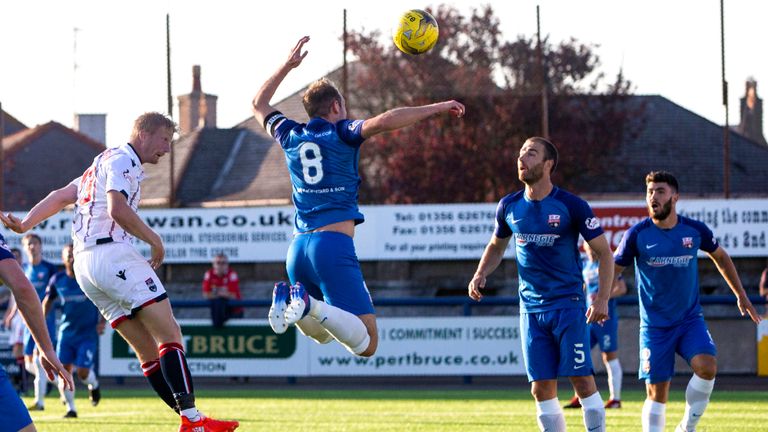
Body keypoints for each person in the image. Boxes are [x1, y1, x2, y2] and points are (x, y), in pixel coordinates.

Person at [0, 112, 238, 432]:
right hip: (111, 253)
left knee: (147, 350)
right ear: (144, 135)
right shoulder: (123, 161)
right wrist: (155, 241)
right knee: (170, 334)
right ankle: (193, 421)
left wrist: (25, 223)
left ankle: (191, 421)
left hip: (85, 267)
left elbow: (61, 196)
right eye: (165, 140)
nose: (167, 148)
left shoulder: (99, 164)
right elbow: (117, 209)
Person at [252, 36, 465, 358]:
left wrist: (287, 65)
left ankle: (290, 298)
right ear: (336, 106)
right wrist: (437, 107)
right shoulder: (341, 132)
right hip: (332, 246)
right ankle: (304, 302)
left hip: (297, 249)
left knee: (322, 336)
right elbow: (386, 120)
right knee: (367, 343)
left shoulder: (290, 134)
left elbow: (258, 104)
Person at [468, 136, 613, 432]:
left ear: (548, 165)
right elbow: (496, 246)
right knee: (541, 390)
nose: (522, 158)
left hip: (568, 306)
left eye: (531, 153)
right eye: (521, 152)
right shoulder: (508, 205)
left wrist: (602, 299)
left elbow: (605, 254)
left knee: (582, 381)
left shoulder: (571, 205)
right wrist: (480, 273)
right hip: (530, 310)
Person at [613, 170, 761, 432]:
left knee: (707, 367)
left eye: (660, 191)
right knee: (657, 392)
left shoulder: (693, 230)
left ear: (675, 196)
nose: (653, 197)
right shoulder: (637, 235)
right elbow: (613, 270)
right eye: (649, 192)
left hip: (689, 320)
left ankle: (686, 427)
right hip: (655, 326)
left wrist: (741, 295)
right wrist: (600, 297)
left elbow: (722, 257)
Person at [0, 232, 73, 432]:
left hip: (41, 320)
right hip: (30, 320)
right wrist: (47, 350)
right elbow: (22, 289)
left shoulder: (49, 269)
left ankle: (47, 395)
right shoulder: (22, 268)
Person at [42, 243, 106, 418]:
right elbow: (47, 302)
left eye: (73, 254)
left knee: (83, 372)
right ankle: (71, 409)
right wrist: (40, 321)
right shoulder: (58, 279)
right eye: (67, 254)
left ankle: (93, 385)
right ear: (63, 258)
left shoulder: (88, 277)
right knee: (64, 372)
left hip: (87, 334)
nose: (71, 257)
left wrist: (102, 322)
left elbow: (102, 300)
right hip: (66, 334)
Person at [565, 241, 627, 410]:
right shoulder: (585, 265)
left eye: (592, 245)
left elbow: (622, 288)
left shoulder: (607, 264)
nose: (590, 249)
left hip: (605, 318)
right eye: (587, 246)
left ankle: (616, 399)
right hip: (587, 319)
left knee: (609, 356)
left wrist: (602, 298)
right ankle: (580, 395)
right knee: (580, 354)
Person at [20, 234, 58, 411]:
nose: (32, 247)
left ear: (41, 246)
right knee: (29, 363)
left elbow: (56, 294)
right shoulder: (23, 269)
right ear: (25, 248)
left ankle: (39, 401)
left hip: (45, 321)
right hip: (27, 322)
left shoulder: (50, 269)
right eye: (28, 244)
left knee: (37, 361)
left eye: (34, 243)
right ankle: (60, 382)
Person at [2, 247, 28, 393]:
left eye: (17, 256)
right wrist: (8, 314)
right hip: (16, 315)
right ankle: (20, 382)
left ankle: (23, 384)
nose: (15, 259)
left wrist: (11, 315)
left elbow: (21, 295)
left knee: (21, 350)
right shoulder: (8, 273)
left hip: (22, 316)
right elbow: (11, 296)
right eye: (13, 256)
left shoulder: (23, 272)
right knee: (17, 351)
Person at [202, 253, 243, 328]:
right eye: (218, 263)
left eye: (223, 263)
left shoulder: (232, 274)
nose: (220, 265)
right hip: (218, 312)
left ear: (227, 264)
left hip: (234, 311)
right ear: (213, 264)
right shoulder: (209, 274)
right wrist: (222, 293)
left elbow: (233, 295)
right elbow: (206, 294)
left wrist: (215, 293)